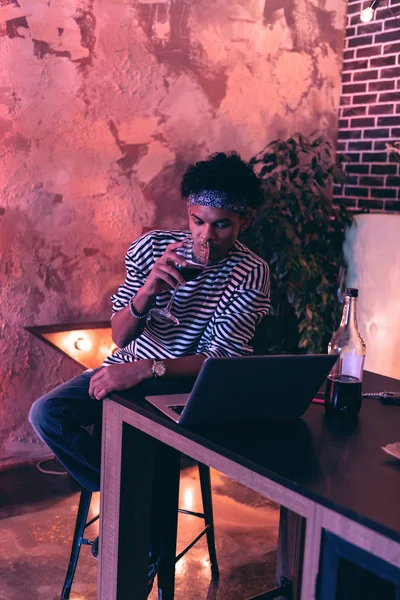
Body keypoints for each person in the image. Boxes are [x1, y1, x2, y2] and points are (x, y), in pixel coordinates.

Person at [29, 150, 271, 593]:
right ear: (188, 213)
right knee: (47, 414)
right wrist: (146, 292)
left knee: (148, 448)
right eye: (199, 221)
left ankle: (134, 544)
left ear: (245, 221)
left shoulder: (249, 273)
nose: (207, 236)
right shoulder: (151, 249)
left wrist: (146, 370)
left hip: (187, 385)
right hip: (126, 369)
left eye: (222, 224)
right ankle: (131, 518)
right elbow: (121, 338)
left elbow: (219, 362)